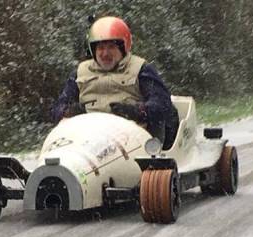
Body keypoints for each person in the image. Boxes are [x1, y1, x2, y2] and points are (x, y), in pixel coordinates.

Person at [51, 16, 179, 149]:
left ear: (124, 47)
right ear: (93, 50)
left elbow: (161, 104)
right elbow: (58, 108)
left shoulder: (141, 69)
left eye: (111, 47)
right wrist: (68, 111)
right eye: (100, 48)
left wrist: (138, 111)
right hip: (87, 139)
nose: (105, 53)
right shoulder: (80, 72)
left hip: (131, 140)